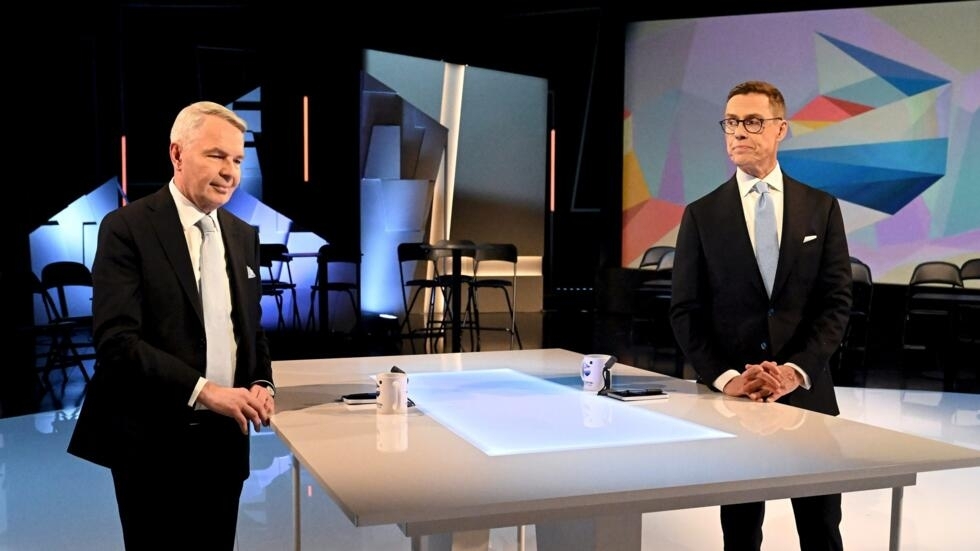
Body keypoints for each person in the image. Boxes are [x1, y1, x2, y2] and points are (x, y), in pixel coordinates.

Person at [67, 101, 276, 550]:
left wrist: (262, 382)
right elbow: (117, 341)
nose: (230, 172)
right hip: (150, 442)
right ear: (177, 154)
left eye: (237, 160)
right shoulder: (126, 228)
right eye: (216, 156)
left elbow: (250, 329)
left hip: (225, 441)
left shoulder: (244, 235)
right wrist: (205, 391)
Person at [669, 81, 852, 551]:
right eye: (731, 122)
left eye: (752, 122)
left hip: (807, 395)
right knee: (740, 533)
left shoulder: (821, 207)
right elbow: (686, 311)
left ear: (780, 129)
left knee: (821, 529)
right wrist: (728, 379)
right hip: (736, 402)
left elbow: (835, 301)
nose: (738, 132)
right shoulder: (701, 214)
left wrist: (795, 371)